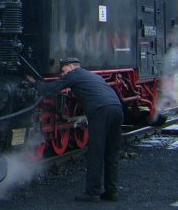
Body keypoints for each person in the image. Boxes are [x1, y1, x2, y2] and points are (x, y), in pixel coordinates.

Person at [30, 58, 124, 202]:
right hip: (117, 109)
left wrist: (34, 83)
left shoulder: (73, 75)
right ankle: (112, 192)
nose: (62, 74)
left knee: (96, 153)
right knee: (111, 152)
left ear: (71, 66)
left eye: (63, 71)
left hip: (100, 111)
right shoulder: (91, 75)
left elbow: (51, 89)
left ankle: (92, 192)